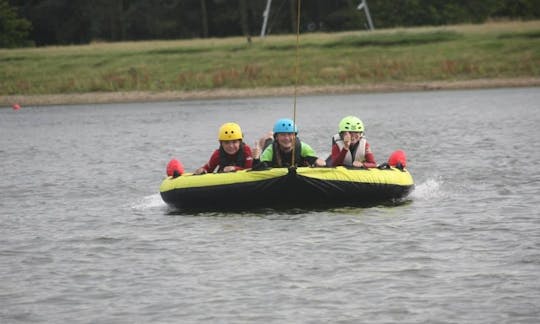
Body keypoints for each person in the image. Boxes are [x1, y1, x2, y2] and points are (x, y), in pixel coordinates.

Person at [252, 118, 325, 169]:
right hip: (271, 147)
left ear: (295, 136)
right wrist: (256, 159)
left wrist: (319, 163)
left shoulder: (304, 148)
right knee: (268, 141)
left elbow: (315, 161)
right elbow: (258, 169)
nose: (286, 138)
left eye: (290, 134)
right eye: (283, 135)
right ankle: (269, 137)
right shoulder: (270, 150)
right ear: (277, 137)